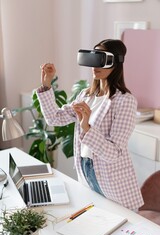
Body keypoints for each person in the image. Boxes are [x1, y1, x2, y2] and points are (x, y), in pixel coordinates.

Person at [36, 39, 144, 212]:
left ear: (115, 63)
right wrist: (47, 84)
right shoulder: (85, 96)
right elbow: (54, 118)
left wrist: (86, 127)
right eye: (94, 58)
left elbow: (114, 153)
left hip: (112, 178)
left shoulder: (125, 101)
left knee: (119, 228)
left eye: (101, 59)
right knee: (94, 220)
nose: (95, 65)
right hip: (85, 170)